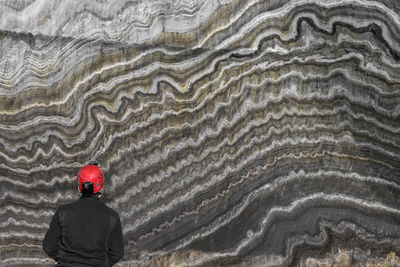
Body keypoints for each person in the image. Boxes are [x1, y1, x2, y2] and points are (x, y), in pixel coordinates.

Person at [43, 162, 124, 266]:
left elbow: (48, 247)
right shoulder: (112, 216)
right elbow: (117, 254)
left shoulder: (62, 211)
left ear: (79, 186)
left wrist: (65, 259)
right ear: (101, 186)